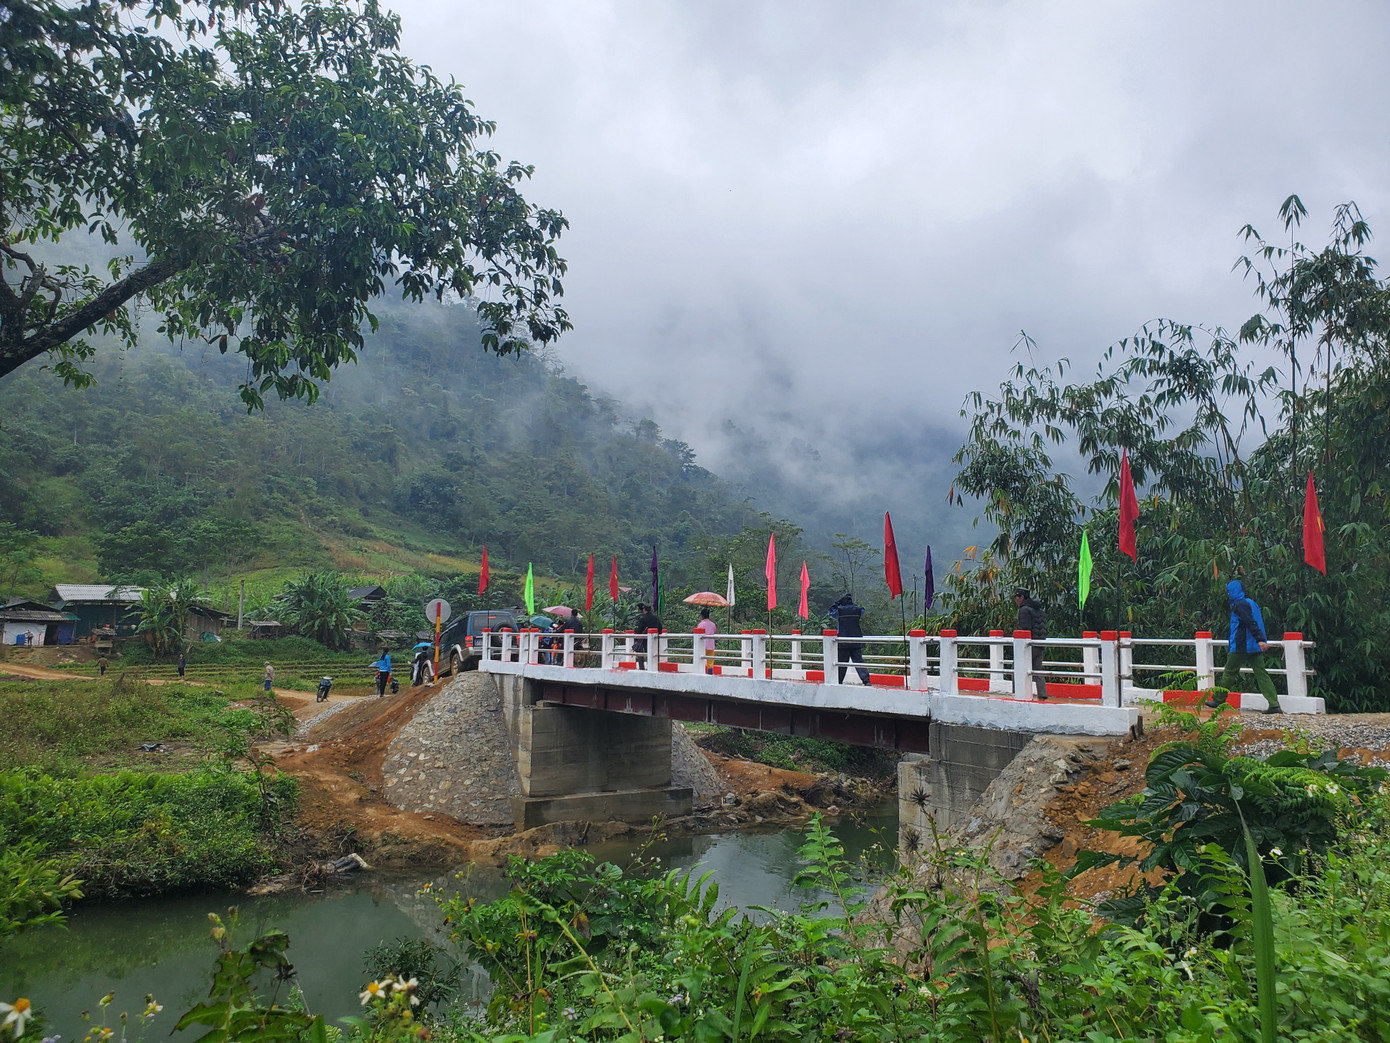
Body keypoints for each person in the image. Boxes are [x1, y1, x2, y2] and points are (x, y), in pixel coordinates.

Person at [1207, 579, 1280, 714]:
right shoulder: (1252, 603)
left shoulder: (1239, 605)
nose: (1228, 594)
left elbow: (1249, 622)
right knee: (1262, 674)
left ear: (1234, 592)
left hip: (1241, 645)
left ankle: (1218, 699)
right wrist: (1260, 640)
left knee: (1229, 672)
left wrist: (1259, 639)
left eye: (1229, 591)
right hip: (1254, 647)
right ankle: (1274, 704)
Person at [1014, 588, 1049, 701]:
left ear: (1022, 597)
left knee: (1017, 667)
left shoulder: (1024, 610)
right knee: (1037, 670)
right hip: (1039, 644)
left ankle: (1018, 693)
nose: (1016, 600)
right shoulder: (1039, 610)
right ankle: (1042, 694)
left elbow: (1025, 629)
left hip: (1029, 645)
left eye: (1017, 597)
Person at [828, 594, 870, 684]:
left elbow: (831, 611)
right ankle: (866, 680)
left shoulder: (840, 611)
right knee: (859, 662)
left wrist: (837, 602)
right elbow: (862, 610)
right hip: (856, 640)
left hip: (843, 641)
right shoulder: (858, 610)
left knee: (842, 663)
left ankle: (839, 681)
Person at [633, 602, 662, 668]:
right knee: (651, 652)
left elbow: (640, 629)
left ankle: (641, 667)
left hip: (644, 638)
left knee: (640, 652)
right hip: (654, 638)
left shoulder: (643, 618)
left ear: (644, 610)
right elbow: (660, 628)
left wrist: (635, 633)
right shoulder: (655, 618)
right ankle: (651, 666)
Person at [694, 607, 717, 673]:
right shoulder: (713, 624)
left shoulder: (701, 624)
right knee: (710, 662)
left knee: (701, 660)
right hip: (711, 646)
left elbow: (698, 633)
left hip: (703, 646)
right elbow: (715, 631)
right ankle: (710, 673)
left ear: (702, 616)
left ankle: (701, 672)